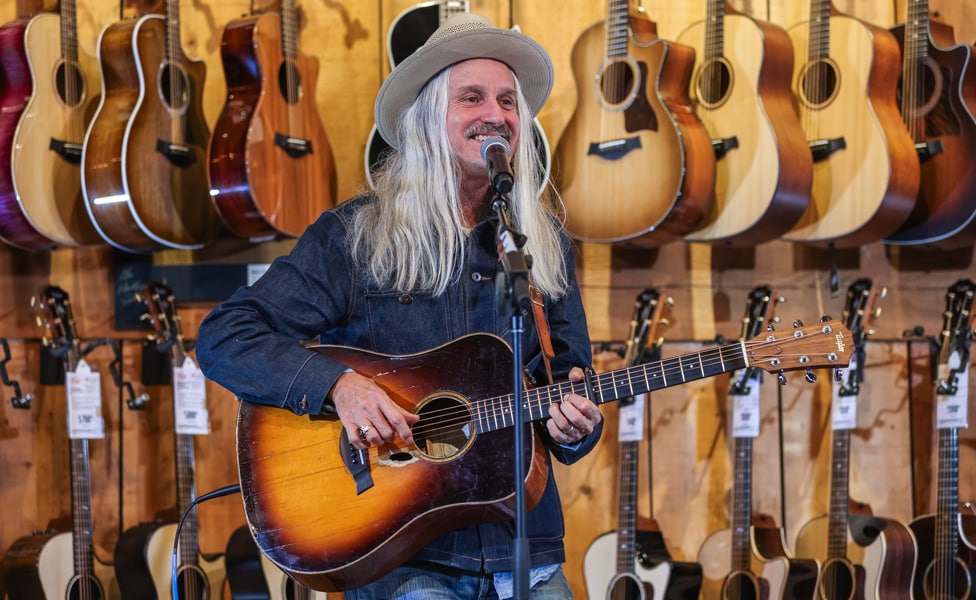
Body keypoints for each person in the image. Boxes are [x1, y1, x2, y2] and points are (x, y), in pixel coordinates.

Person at [195, 12, 603, 600]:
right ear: (428, 115)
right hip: (402, 552)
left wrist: (574, 427)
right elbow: (225, 335)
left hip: (526, 546)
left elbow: (571, 381)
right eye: (472, 97)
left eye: (509, 101)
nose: (496, 114)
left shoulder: (542, 245)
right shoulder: (357, 236)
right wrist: (337, 386)